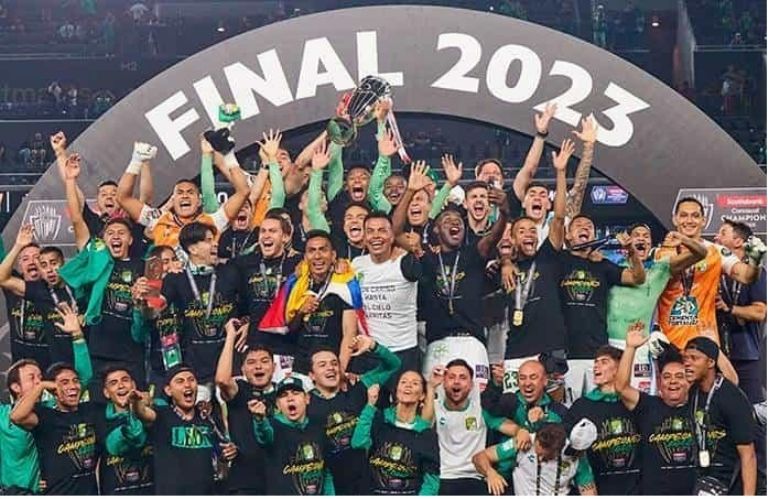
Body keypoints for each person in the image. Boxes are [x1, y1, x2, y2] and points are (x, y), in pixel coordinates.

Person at [408, 162, 510, 389]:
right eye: (447, 221)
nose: (454, 223)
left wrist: (504, 211)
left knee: (478, 398)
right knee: (433, 398)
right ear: (436, 230)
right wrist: (411, 192)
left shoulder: (474, 253)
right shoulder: (429, 258)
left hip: (472, 342)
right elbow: (396, 233)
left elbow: (494, 236)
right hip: (438, 343)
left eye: (458, 222)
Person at [61, 152, 147, 388]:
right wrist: (70, 180)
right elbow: (77, 218)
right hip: (98, 349)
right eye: (110, 233)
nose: (116, 236)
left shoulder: (142, 266)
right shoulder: (95, 257)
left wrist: (140, 304)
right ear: (103, 238)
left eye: (121, 233)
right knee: (99, 404)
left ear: (131, 239)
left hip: (133, 351)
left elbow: (150, 312)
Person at [501, 139, 572, 391]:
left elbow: (559, 217)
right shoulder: (504, 268)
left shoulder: (547, 257)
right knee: (513, 407)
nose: (529, 234)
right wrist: (505, 261)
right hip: (516, 351)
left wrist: (561, 172)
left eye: (533, 230)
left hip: (550, 348)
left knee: (555, 409)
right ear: (512, 238)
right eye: (522, 231)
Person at [606, 224, 707, 393]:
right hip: (610, 344)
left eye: (646, 236)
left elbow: (701, 253)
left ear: (651, 244)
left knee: (641, 399)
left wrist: (682, 238)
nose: (641, 238)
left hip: (640, 347)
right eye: (637, 235)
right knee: (611, 397)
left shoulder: (661, 268)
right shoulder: (612, 268)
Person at [10, 306, 98, 496]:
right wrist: (41, 385)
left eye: (75, 381)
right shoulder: (45, 416)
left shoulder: (90, 411)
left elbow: (85, 375)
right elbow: (16, 416)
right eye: (64, 383)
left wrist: (77, 335)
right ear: (53, 390)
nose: (72, 386)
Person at [559, 213, 646, 403]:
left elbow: (638, 278)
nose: (584, 227)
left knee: (599, 409)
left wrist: (631, 251)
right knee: (568, 410)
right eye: (578, 225)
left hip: (596, 353)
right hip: (565, 354)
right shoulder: (558, 261)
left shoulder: (602, 265)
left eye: (589, 226)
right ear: (568, 235)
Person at [656, 197, 763, 349]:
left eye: (695, 216)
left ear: (703, 221)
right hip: (668, 341)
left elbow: (746, 276)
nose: (689, 220)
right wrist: (685, 241)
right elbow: (672, 268)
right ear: (675, 219)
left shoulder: (717, 252)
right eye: (684, 215)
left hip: (705, 343)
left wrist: (755, 262)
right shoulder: (662, 252)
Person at [307, 334, 401, 494]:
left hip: (367, 480)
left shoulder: (358, 389)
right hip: (330, 485)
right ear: (312, 375)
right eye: (322, 365)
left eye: (334, 363)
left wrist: (373, 346)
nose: (330, 368)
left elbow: (393, 365)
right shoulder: (306, 403)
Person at [117, 137, 249, 248]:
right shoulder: (158, 219)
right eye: (180, 193)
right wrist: (136, 161)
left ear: (199, 201)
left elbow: (243, 191)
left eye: (190, 192)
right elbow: (123, 198)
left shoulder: (213, 221)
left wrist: (229, 156)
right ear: (173, 200)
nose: (185, 195)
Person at [261, 230, 361, 377]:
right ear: (305, 257)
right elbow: (290, 328)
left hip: (332, 366)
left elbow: (349, 333)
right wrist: (300, 312)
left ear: (333, 255)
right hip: (302, 366)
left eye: (323, 250)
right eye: (312, 251)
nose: (317, 256)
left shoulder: (344, 285)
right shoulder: (297, 284)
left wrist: (340, 371)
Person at [130, 364, 238, 494]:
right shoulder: (162, 415)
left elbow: (221, 458)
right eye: (180, 381)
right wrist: (136, 402)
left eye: (191, 380)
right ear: (168, 390)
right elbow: (143, 413)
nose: (187, 385)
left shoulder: (207, 419)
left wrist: (227, 454)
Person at [615, 322, 696, 494]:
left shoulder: (699, 404)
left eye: (679, 376)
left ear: (689, 382)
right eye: (666, 377)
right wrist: (630, 348)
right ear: (659, 383)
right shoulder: (648, 405)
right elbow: (621, 387)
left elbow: (732, 381)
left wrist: (714, 349)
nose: (673, 381)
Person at [156, 222, 240, 384]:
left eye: (214, 239)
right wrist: (149, 287)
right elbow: (153, 310)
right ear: (193, 249)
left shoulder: (230, 272)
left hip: (229, 364)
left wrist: (247, 323)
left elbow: (247, 308)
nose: (215, 244)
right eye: (208, 240)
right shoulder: (176, 277)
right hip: (194, 368)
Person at [431, 359, 520, 495]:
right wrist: (430, 386)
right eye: (451, 377)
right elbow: (421, 424)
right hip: (442, 477)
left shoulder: (481, 410)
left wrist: (490, 470)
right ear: (443, 382)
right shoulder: (433, 408)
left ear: (471, 385)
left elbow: (515, 431)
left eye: (463, 377)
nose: (456, 381)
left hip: (475, 477)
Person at [683, 336, 757, 495]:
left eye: (694, 358)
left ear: (711, 362)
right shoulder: (693, 392)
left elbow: (748, 455)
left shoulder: (732, 397)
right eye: (685, 358)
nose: (687, 363)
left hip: (730, 482)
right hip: (702, 477)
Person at [565, 345, 642, 494]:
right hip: (596, 489)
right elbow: (569, 450)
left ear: (620, 368)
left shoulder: (637, 403)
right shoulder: (582, 406)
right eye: (596, 362)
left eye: (604, 362)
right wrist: (585, 483)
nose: (596, 366)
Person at [352, 212, 422, 373]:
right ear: (364, 238)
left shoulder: (405, 261)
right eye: (370, 231)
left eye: (382, 230)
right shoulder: (356, 265)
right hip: (369, 352)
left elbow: (424, 268)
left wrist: (413, 249)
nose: (376, 236)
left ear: (392, 237)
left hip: (403, 351)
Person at [351, 371, 440, 495]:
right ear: (397, 390)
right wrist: (370, 405)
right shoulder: (379, 418)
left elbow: (431, 482)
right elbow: (358, 443)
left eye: (415, 383)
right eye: (403, 382)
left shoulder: (426, 433)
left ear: (422, 396)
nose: (408, 385)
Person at [215, 320, 276, 494]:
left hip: (278, 482)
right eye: (251, 362)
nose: (258, 366)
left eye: (264, 361)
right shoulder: (240, 391)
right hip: (244, 482)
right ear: (242, 369)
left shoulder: (284, 395)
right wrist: (230, 336)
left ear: (274, 367)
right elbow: (222, 380)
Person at [249, 376, 335, 495]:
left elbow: (325, 471)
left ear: (307, 399)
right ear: (278, 404)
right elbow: (264, 436)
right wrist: (259, 419)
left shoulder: (318, 427)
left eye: (295, 393)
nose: (290, 399)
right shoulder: (272, 426)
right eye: (284, 395)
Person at [232, 210, 301, 358]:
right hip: (255, 344)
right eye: (263, 231)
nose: (266, 235)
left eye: (272, 231)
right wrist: (245, 321)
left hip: (287, 346)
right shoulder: (245, 264)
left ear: (285, 237)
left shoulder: (297, 263)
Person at [714, 220, 766, 406]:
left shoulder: (756, 273)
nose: (716, 237)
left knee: (751, 410)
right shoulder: (712, 270)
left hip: (744, 356)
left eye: (723, 233)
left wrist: (730, 309)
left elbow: (760, 312)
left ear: (737, 242)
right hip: (716, 355)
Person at [472, 420, 598, 495]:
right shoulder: (523, 442)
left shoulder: (574, 455)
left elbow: (588, 491)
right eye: (538, 454)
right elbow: (479, 457)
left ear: (559, 450)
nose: (540, 460)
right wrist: (490, 473)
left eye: (546, 457)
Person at [95, 365, 154, 495]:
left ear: (134, 385)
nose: (121, 385)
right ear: (106, 392)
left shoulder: (153, 409)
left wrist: (145, 406)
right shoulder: (99, 419)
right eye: (113, 383)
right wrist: (135, 409)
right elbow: (118, 445)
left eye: (125, 380)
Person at [0, 238, 48, 369]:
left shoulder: (53, 288)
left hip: (51, 367)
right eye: (25, 259)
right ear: (19, 264)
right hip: (21, 367)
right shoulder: (11, 283)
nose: (31, 262)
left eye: (37, 257)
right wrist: (18, 245)